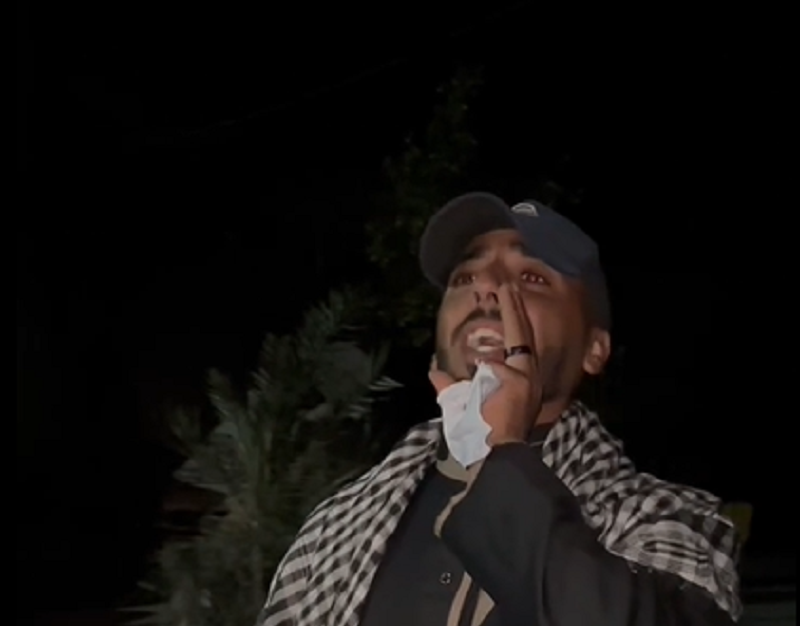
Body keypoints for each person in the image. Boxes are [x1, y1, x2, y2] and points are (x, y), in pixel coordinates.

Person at [257, 192, 742, 626]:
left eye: (531, 277)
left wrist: (499, 453)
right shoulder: (335, 526)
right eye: (464, 276)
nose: (485, 285)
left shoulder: (669, 518)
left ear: (594, 349)